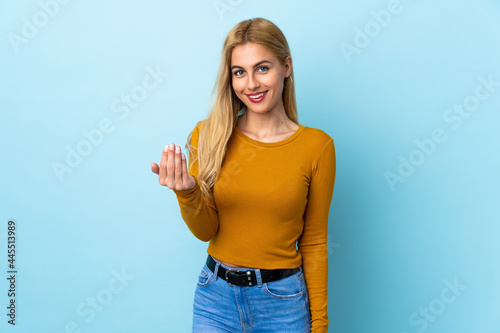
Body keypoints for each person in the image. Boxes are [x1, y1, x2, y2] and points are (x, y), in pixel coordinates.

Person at [151, 17, 336, 333]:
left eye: (262, 68)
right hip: (214, 300)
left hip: (282, 303)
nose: (251, 84)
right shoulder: (208, 135)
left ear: (286, 67)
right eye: (240, 72)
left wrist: (319, 325)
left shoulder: (316, 147)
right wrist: (187, 191)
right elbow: (207, 231)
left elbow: (314, 241)